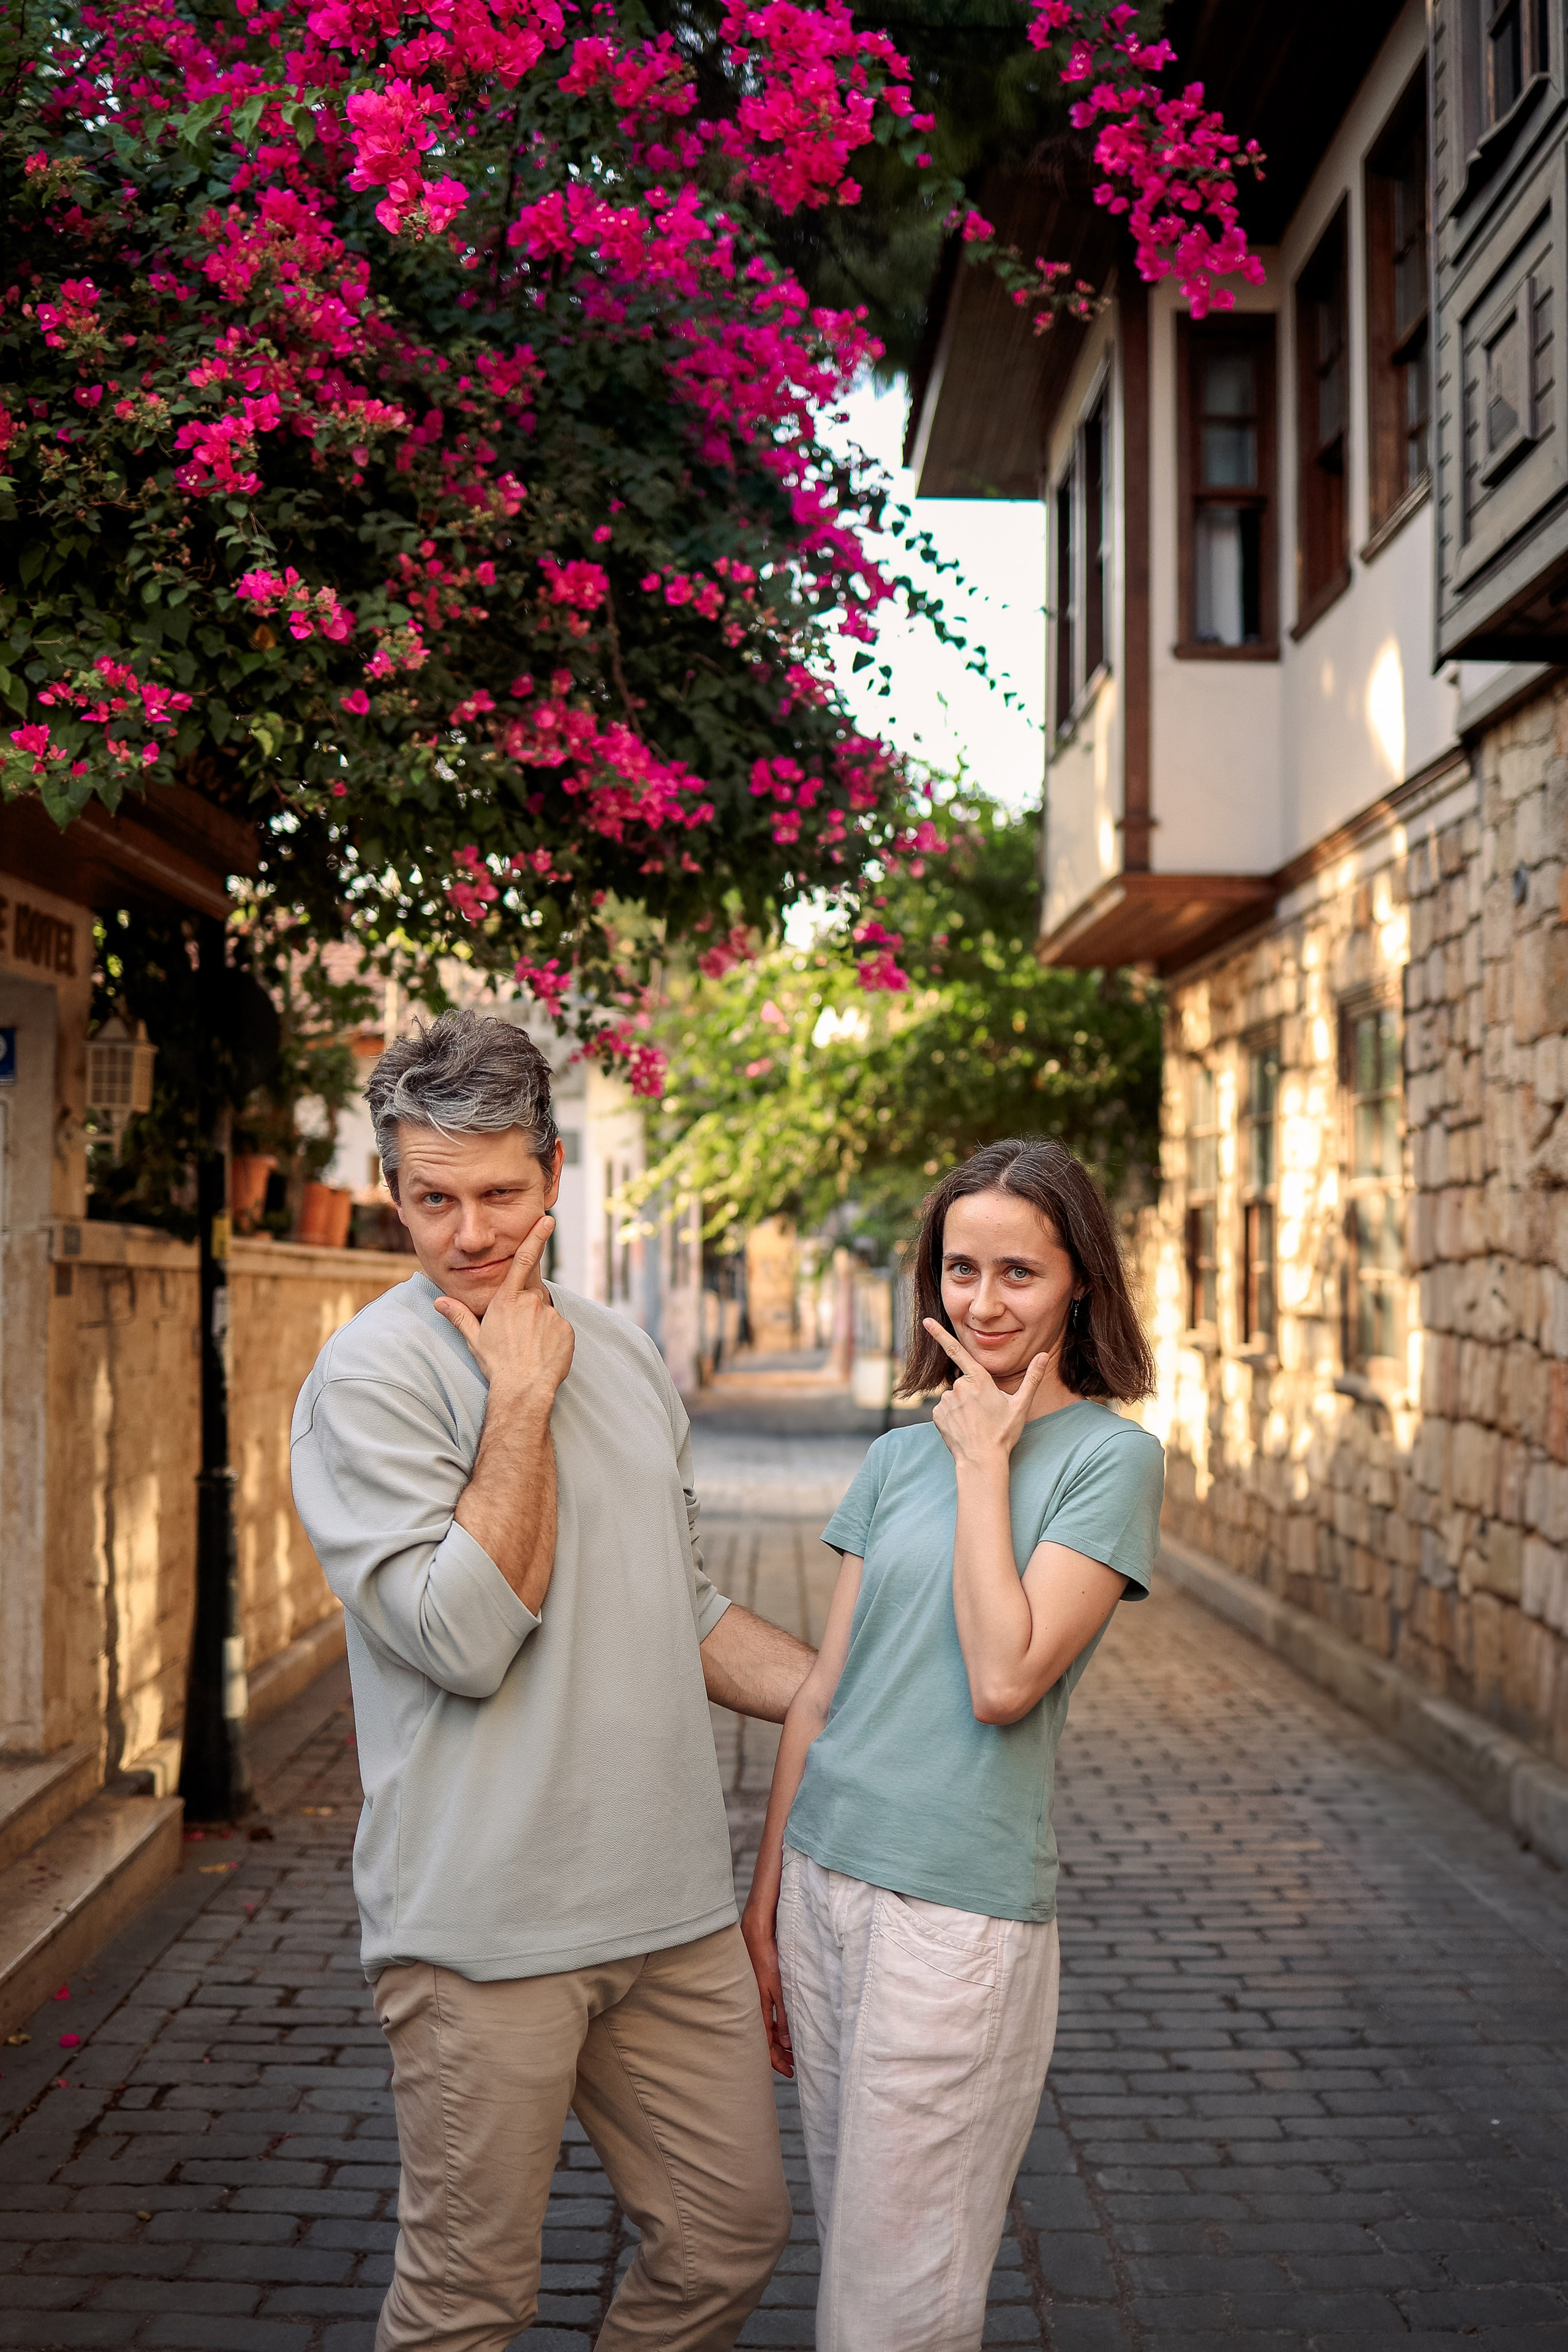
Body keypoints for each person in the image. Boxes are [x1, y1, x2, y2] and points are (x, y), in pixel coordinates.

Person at [290, 1008, 812, 2352]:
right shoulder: (370, 1381)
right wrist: (514, 1403)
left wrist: (838, 1689)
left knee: (726, 2237)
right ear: (391, 1194)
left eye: (501, 1195)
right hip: (484, 1932)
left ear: (555, 1174)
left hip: (670, 1911)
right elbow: (462, 1638)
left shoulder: (625, 1353)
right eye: (432, 1200)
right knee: (468, 2305)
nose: (469, 1234)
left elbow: (672, 1604)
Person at [741, 1136, 1165, 2352]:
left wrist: (983, 1463)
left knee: (895, 2310)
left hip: (955, 1924)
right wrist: (764, 1903)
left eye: (1016, 1274)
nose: (981, 1303)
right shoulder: (890, 1456)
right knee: (857, 2271)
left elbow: (1002, 1679)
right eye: (959, 1271)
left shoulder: (1107, 1461)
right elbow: (825, 1692)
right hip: (824, 1886)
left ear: (1077, 1278)